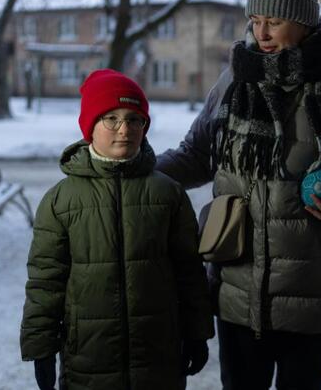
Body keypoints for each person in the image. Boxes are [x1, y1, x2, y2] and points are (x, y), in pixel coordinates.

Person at [155, 0, 321, 388]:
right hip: (237, 290)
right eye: (255, 20)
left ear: (304, 20)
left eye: (275, 21)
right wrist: (134, 169)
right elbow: (197, 155)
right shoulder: (234, 81)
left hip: (315, 295)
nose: (262, 32)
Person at [20, 69, 214, 390]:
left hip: (158, 357)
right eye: (111, 118)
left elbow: (188, 271)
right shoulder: (60, 200)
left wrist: (197, 334)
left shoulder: (168, 194)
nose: (124, 129)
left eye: (135, 119)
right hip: (88, 358)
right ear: (89, 127)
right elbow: (45, 281)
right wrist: (41, 349)